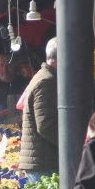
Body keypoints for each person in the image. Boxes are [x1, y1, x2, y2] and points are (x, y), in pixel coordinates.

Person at [19, 37, 59, 179]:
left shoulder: (45, 77)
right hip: (44, 164)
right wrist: (69, 144)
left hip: (42, 161)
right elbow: (45, 125)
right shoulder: (47, 81)